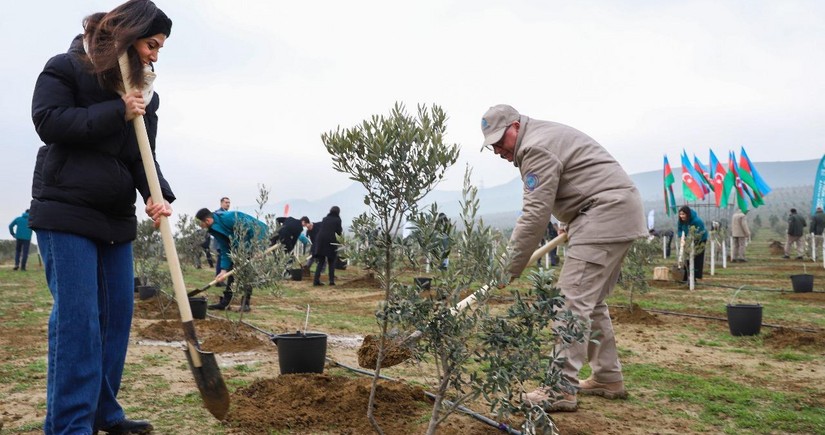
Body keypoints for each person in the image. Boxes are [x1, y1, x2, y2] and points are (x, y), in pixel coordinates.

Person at [29, 1, 173, 433]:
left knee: (115, 322)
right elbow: (48, 121)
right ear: (127, 34)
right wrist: (117, 110)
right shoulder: (66, 68)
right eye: (151, 44)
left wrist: (156, 195)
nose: (154, 55)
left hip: (114, 218)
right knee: (79, 323)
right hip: (66, 212)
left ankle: (101, 413)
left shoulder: (145, 94)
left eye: (161, 48)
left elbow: (140, 156)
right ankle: (70, 425)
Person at [480, 104, 647, 412]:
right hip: (612, 211)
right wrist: (570, 219)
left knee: (570, 301)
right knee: (590, 301)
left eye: (500, 140)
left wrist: (508, 268)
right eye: (491, 145)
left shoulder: (534, 148)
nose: (497, 150)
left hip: (604, 213)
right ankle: (608, 377)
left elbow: (533, 217)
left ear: (515, 126)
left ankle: (560, 388)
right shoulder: (541, 137)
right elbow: (579, 180)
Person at [196, 208, 267, 312]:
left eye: (200, 222)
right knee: (231, 271)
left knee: (247, 272)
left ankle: (245, 304)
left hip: (256, 238)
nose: (200, 225)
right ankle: (225, 303)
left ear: (207, 220)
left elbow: (251, 229)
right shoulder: (213, 229)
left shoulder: (228, 218)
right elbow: (225, 247)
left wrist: (257, 248)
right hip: (240, 247)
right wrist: (223, 270)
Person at [313, 206, 343, 286]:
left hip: (321, 240)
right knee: (331, 261)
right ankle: (331, 281)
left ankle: (316, 281)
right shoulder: (337, 220)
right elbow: (339, 232)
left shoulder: (325, 218)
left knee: (321, 262)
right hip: (331, 241)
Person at [676, 205, 707, 281]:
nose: (681, 216)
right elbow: (679, 229)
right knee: (687, 257)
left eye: (683, 214)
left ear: (688, 214)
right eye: (680, 214)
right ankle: (686, 276)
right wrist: (682, 237)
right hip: (688, 239)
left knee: (697, 258)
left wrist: (690, 240)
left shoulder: (696, 221)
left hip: (700, 239)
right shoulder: (680, 220)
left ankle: (694, 277)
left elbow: (699, 232)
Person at [212, 197, 231, 284]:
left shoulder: (227, 214)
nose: (228, 204)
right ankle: (219, 281)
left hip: (225, 242)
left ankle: (220, 280)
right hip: (220, 242)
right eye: (226, 202)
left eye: (229, 203)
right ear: (221, 203)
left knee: (222, 260)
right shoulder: (218, 214)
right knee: (221, 260)